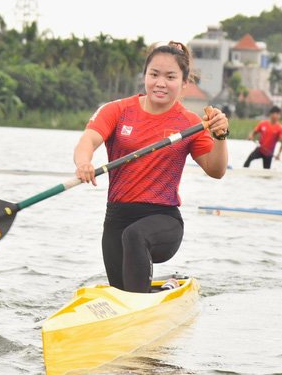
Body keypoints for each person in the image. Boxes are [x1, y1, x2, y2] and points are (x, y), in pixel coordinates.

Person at [73, 41, 229, 294]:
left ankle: (142, 302)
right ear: (145, 76)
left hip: (163, 221)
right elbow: (88, 140)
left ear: (184, 83)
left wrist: (220, 136)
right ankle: (152, 294)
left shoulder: (190, 123)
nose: (160, 83)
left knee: (135, 236)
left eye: (170, 77)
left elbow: (216, 170)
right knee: (122, 289)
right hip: (116, 219)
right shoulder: (118, 110)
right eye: (154, 74)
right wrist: (83, 163)